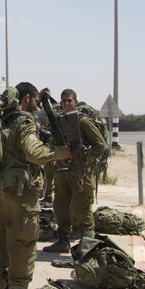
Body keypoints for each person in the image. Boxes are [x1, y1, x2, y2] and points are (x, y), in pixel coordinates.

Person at [0, 82, 71, 289]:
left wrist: (46, 99)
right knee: (23, 246)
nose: (36, 106)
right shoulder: (25, 122)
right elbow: (33, 152)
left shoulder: (2, 119)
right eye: (35, 101)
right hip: (21, 194)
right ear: (26, 98)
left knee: (1, 244)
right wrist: (59, 153)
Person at [43, 89, 108, 252]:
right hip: (63, 172)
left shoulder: (82, 121)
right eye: (63, 100)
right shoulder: (59, 121)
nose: (66, 104)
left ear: (75, 102)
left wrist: (83, 158)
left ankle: (88, 250)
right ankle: (63, 241)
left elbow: (100, 145)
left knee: (82, 210)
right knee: (60, 208)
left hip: (81, 173)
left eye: (69, 101)